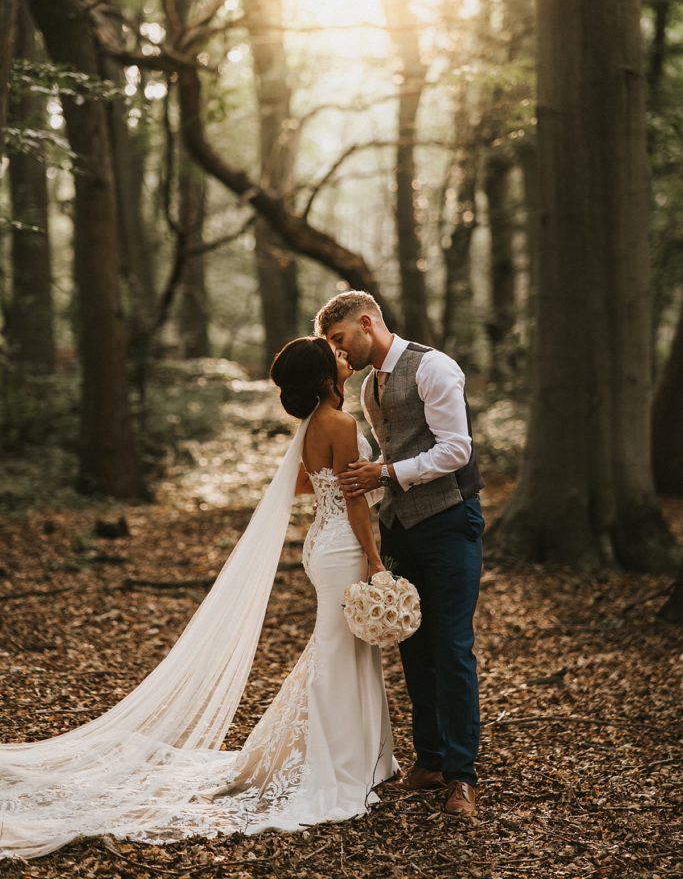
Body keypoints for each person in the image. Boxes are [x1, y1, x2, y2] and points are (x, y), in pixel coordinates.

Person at [0, 337, 395, 860]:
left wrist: (342, 489)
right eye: (336, 356)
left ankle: (362, 754)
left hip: (321, 542)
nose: (344, 357)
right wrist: (373, 557)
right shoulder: (340, 424)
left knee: (337, 649)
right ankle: (337, 763)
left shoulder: (312, 427)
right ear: (326, 375)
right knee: (337, 652)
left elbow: (308, 484)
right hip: (344, 544)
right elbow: (351, 499)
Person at [315, 290, 484, 818]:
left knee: (452, 647)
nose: (337, 353)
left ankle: (461, 776)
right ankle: (429, 760)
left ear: (367, 324)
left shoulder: (433, 367)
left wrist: (385, 475)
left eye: (340, 340)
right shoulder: (368, 387)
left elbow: (457, 449)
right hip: (400, 528)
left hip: (450, 520)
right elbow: (389, 449)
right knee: (412, 643)